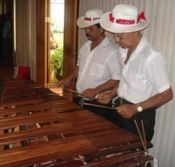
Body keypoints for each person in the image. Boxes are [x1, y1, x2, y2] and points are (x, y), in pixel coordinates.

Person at [99, 4, 173, 141]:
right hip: (120, 108)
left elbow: (167, 95)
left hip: (140, 117)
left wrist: (136, 108)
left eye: (120, 36)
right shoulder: (123, 51)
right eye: (115, 35)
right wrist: (112, 93)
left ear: (135, 31)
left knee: (133, 159)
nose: (116, 40)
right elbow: (127, 82)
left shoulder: (152, 58)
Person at [58, 9, 122, 119]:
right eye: (85, 28)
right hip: (79, 98)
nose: (87, 32)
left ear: (101, 29)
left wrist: (95, 91)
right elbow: (79, 67)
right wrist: (68, 78)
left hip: (98, 103)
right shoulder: (85, 46)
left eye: (91, 28)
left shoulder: (112, 52)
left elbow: (117, 79)